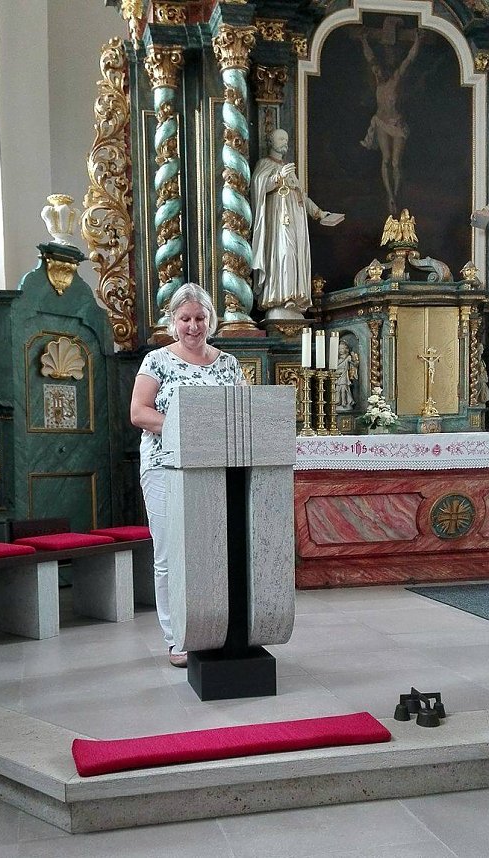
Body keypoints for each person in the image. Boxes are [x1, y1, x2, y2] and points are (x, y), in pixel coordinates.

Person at [130, 283, 245, 668]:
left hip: (217, 468)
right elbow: (139, 412)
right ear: (173, 321)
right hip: (164, 466)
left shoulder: (228, 364)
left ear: (211, 320)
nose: (193, 326)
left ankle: (214, 629)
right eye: (185, 319)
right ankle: (177, 636)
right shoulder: (157, 361)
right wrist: (187, 428)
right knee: (169, 554)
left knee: (213, 552)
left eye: (200, 318)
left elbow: (243, 412)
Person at [251, 128, 344, 314]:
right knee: (283, 253)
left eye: (286, 139)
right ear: (271, 142)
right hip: (278, 221)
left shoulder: (288, 167)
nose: (285, 142)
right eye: (281, 139)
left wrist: (319, 213)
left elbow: (301, 194)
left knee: (294, 255)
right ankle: (279, 295)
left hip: (295, 220)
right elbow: (257, 187)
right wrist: (278, 177)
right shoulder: (264, 164)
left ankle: (293, 296)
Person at [361, 29, 420, 212]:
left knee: (395, 163)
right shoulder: (378, 81)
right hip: (381, 122)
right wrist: (363, 39)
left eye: (380, 71)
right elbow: (370, 57)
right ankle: (390, 197)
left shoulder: (395, 79)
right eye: (376, 72)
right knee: (386, 159)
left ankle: (396, 193)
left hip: (396, 123)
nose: (378, 73)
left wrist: (417, 40)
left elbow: (409, 59)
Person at [336, 339, 359, 410]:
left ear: (346, 349)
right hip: (338, 375)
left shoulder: (348, 357)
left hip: (344, 375)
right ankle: (339, 402)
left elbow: (354, 364)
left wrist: (354, 358)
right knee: (337, 389)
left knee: (344, 388)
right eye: (339, 349)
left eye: (342, 348)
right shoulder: (337, 359)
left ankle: (344, 402)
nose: (340, 350)